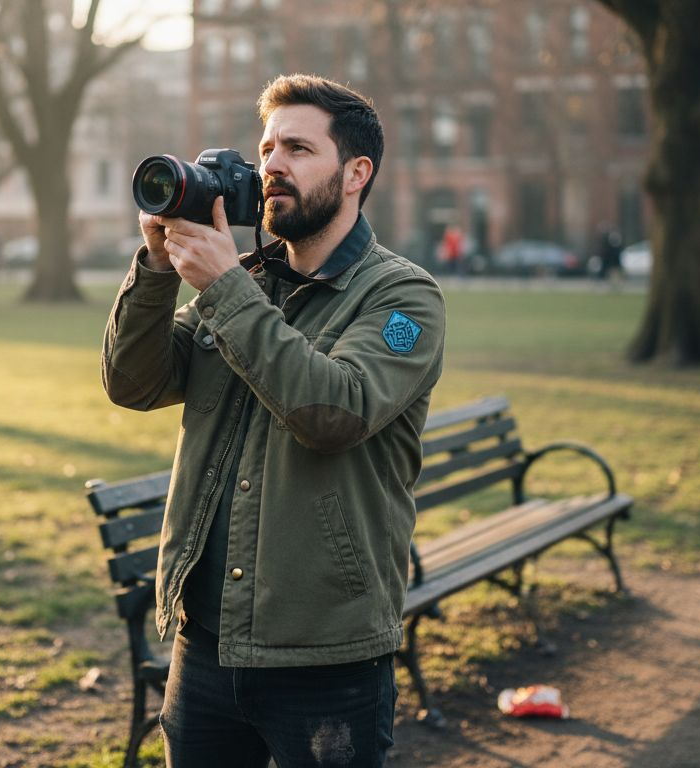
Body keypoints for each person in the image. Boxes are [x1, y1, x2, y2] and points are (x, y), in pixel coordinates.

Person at [101, 74, 446, 767]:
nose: (272, 166)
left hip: (326, 654)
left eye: (298, 148)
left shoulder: (403, 297)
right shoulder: (247, 282)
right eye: (266, 149)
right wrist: (159, 267)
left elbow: (335, 412)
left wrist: (225, 287)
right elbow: (133, 383)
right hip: (206, 641)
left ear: (356, 173)